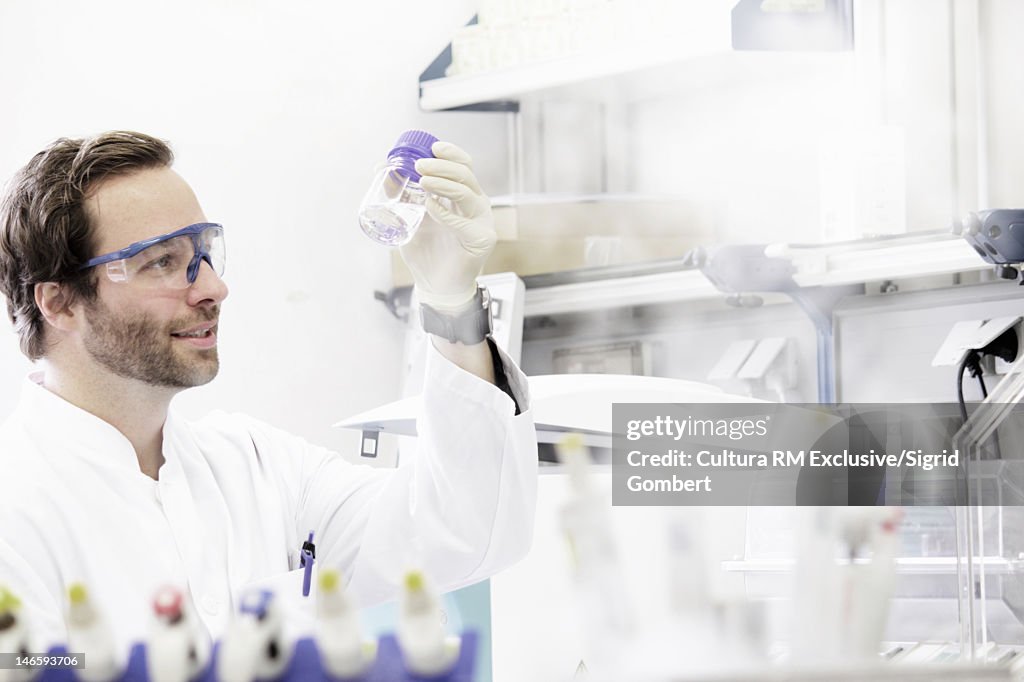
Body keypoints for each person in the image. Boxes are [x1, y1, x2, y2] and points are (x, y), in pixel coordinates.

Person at [0, 131, 537, 651]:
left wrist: (450, 303)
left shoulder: (258, 468)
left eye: (204, 253)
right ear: (60, 303)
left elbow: (455, 532)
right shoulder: (17, 512)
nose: (212, 287)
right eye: (162, 262)